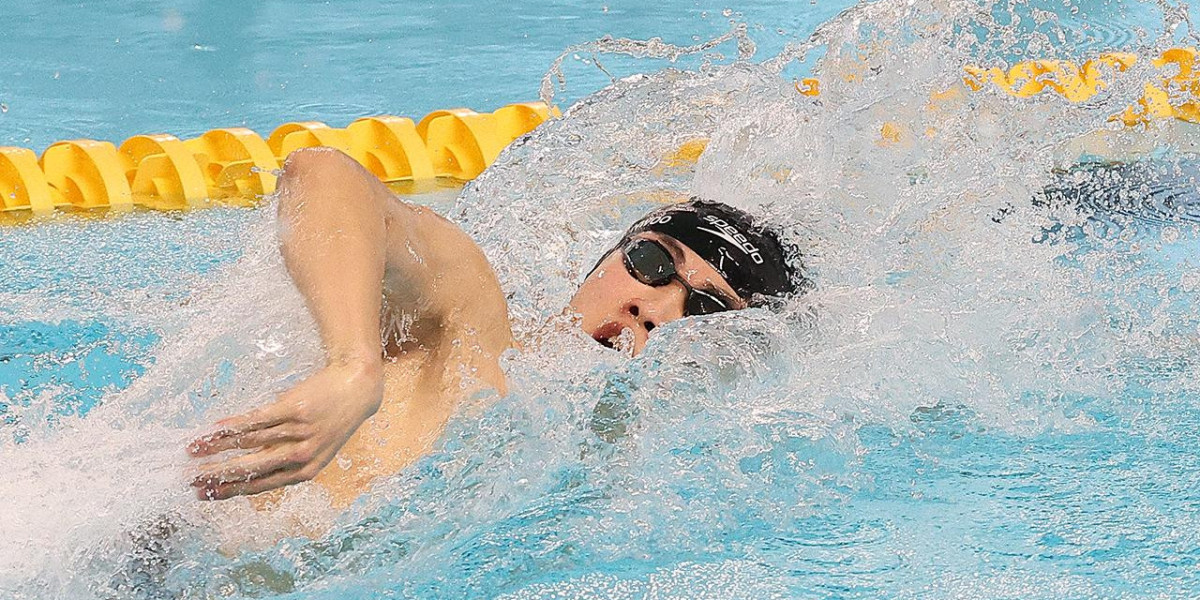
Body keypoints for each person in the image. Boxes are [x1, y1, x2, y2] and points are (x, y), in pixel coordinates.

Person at [187, 147, 806, 507]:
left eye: (706, 310)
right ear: (605, 258)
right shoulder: (472, 327)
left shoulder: (639, 489)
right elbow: (321, 175)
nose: (657, 308)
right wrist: (353, 365)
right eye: (651, 263)